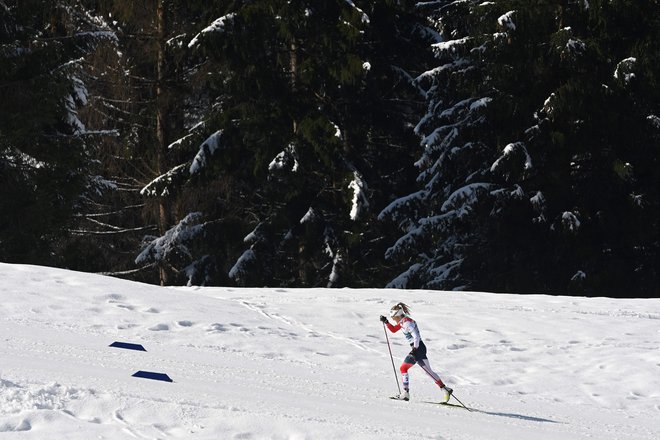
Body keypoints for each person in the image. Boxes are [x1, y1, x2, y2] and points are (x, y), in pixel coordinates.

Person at [380, 302, 452, 402]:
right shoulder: (402, 322)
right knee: (429, 372)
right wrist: (386, 322)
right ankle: (445, 389)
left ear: (398, 315)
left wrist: (414, 350)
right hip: (420, 348)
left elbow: (416, 336)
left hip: (417, 348)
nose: (392, 319)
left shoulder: (407, 323)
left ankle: (405, 393)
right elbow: (393, 330)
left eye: (393, 317)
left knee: (403, 368)